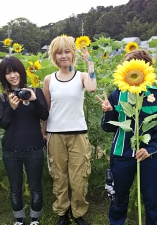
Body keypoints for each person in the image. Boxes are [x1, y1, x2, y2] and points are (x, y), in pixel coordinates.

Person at [96, 49, 157, 225]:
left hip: (148, 156)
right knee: (118, 198)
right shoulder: (118, 94)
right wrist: (108, 112)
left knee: (152, 199)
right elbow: (107, 127)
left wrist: (150, 149)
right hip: (122, 155)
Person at [42, 35, 97, 225]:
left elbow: (92, 88)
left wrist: (89, 63)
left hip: (78, 134)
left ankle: (78, 213)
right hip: (55, 134)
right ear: (54, 56)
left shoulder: (81, 76)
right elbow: (46, 109)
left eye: (67, 51)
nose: (63, 56)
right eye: (59, 52)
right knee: (59, 176)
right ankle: (62, 212)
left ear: (73, 54)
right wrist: (43, 131)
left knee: (79, 177)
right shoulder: (49, 80)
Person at [0, 56, 49, 225]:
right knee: (15, 188)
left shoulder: (35, 92)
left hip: (34, 148)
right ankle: (19, 220)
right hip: (11, 150)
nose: (12, 75)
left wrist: (33, 100)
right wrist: (12, 107)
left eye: (15, 71)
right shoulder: (1, 99)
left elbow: (44, 115)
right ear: (4, 76)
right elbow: (3, 124)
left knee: (35, 187)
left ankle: (34, 220)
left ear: (22, 72)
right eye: (8, 73)